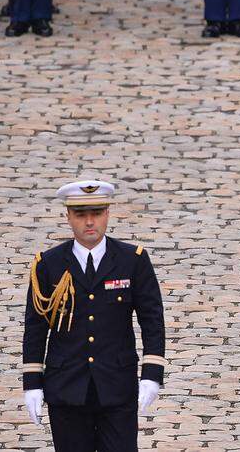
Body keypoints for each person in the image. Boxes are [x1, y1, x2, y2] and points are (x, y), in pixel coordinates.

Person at [22, 180, 166, 452]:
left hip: (116, 384)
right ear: (68, 217)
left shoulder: (132, 260)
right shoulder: (48, 264)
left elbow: (152, 320)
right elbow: (36, 326)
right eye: (80, 214)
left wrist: (152, 373)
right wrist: (32, 382)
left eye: (97, 213)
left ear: (108, 214)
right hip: (66, 386)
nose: (90, 222)